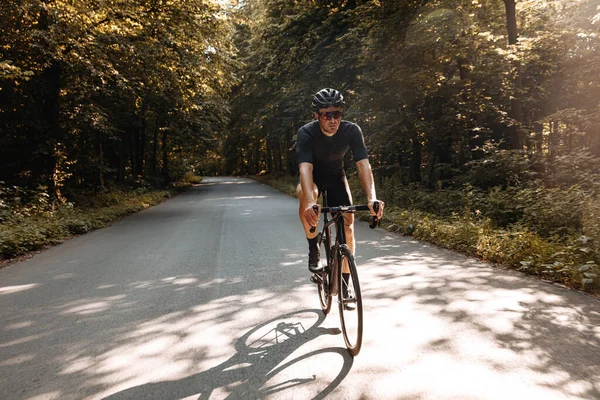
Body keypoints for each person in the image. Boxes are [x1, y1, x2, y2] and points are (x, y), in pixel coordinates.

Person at [296, 88, 385, 279]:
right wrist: (311, 202)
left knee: (348, 227)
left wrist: (372, 198)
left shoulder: (351, 130)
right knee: (305, 193)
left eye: (336, 113)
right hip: (313, 180)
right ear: (316, 115)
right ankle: (314, 249)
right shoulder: (306, 133)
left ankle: (345, 280)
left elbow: (363, 164)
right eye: (327, 115)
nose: (332, 120)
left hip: (337, 177)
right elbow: (305, 169)